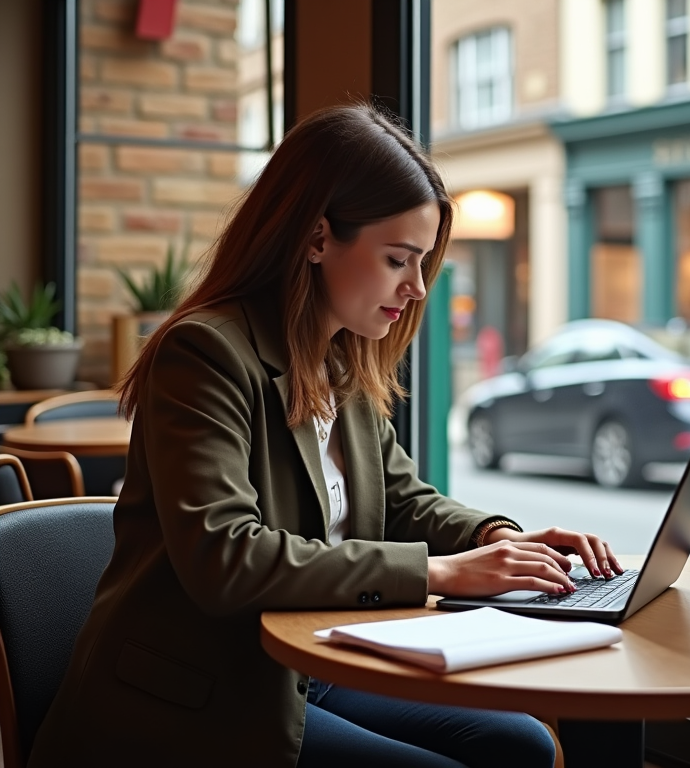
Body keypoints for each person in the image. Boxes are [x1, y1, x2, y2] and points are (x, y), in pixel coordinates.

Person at [29, 105, 622, 768]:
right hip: (206, 692)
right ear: (317, 238)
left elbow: (403, 500)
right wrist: (439, 572)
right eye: (399, 258)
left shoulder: (339, 359)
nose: (418, 287)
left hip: (310, 662)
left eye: (422, 262)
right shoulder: (204, 354)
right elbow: (225, 556)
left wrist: (497, 538)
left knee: (521, 744)